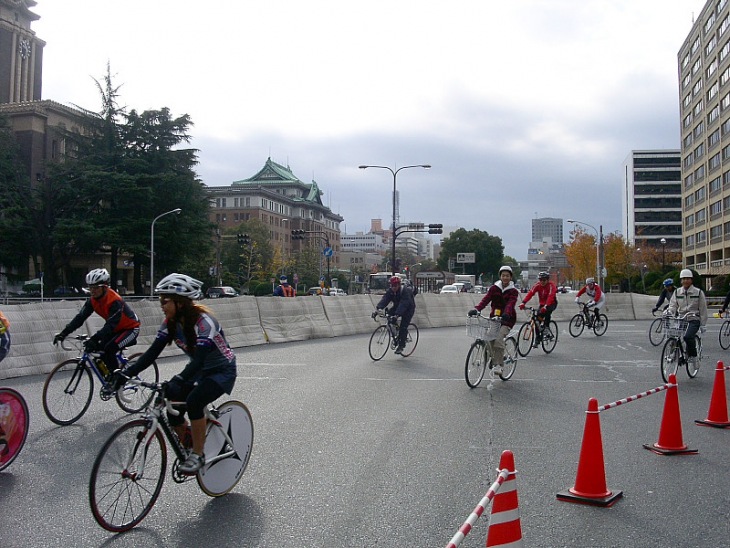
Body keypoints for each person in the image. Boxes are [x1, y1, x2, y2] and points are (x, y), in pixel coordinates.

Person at [111, 273, 237, 475]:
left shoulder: (205, 323)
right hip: (199, 369)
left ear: (180, 303)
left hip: (221, 371)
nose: (162, 305)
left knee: (195, 401)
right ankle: (191, 439)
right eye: (161, 301)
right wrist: (125, 374)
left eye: (165, 301)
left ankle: (198, 454)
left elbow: (200, 359)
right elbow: (152, 353)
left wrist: (179, 379)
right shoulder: (170, 322)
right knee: (171, 404)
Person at [53, 268, 140, 378]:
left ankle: (117, 379)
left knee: (110, 348)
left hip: (130, 329)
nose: (92, 291)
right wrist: (64, 333)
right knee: (97, 351)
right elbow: (80, 318)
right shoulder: (92, 300)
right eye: (90, 287)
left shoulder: (114, 301)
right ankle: (109, 378)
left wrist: (94, 339)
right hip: (116, 329)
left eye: (96, 288)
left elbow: (110, 326)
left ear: (104, 287)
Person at [467, 266, 519, 376]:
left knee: (499, 339)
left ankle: (499, 365)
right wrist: (477, 309)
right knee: (489, 337)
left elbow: (511, 304)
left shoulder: (513, 291)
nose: (505, 277)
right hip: (494, 318)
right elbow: (486, 299)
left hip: (507, 319)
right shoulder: (494, 288)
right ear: (500, 276)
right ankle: (494, 358)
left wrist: (506, 313)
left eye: (507, 276)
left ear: (511, 277)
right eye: (503, 275)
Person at [665, 269, 707, 366]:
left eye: (688, 278)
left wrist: (703, 324)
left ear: (691, 280)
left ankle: (694, 357)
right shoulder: (677, 292)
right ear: (681, 281)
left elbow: (703, 309)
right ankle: (673, 353)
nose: (685, 281)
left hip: (694, 319)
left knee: (688, 337)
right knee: (673, 335)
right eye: (683, 279)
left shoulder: (698, 292)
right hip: (681, 318)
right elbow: (673, 305)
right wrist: (669, 311)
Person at [372, 276, 416, 354]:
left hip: (408, 308)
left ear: (399, 285)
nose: (393, 287)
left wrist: (397, 315)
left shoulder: (405, 291)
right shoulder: (390, 291)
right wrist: (378, 310)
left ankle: (401, 345)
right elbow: (385, 300)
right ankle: (396, 332)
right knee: (389, 316)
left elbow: (404, 304)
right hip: (397, 306)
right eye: (392, 286)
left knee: (403, 326)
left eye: (395, 286)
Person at [518, 271, 558, 338]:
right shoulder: (537, 285)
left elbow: (551, 296)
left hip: (551, 303)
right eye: (540, 280)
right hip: (542, 304)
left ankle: (547, 328)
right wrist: (523, 302)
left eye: (544, 280)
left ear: (548, 280)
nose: (542, 282)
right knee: (537, 320)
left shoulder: (551, 285)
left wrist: (546, 306)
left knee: (547, 312)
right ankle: (538, 338)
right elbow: (530, 293)